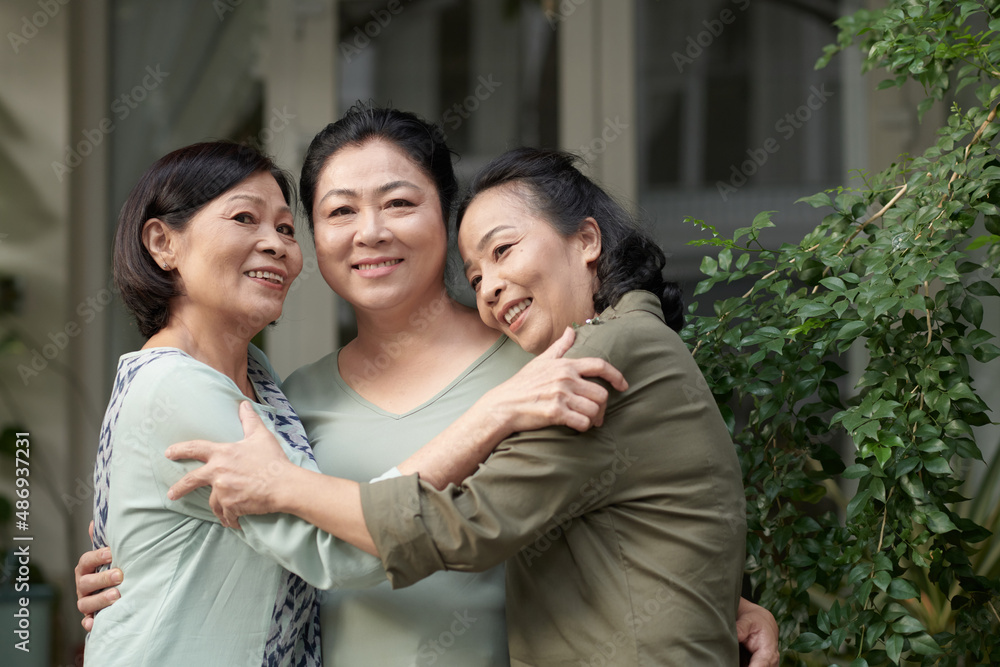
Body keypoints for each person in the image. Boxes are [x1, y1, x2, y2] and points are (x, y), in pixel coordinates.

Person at [77, 107, 780, 666]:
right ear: (316, 243)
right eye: (338, 212)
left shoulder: (543, 363)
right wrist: (130, 563)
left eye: (399, 202)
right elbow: (264, 541)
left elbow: (649, 497)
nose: (371, 232)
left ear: (445, 219)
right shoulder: (285, 404)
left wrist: (723, 601)